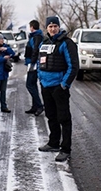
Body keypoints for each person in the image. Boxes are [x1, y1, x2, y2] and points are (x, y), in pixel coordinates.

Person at [37, 16, 79, 162]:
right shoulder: (44, 43)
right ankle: (53, 142)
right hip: (46, 86)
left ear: (59, 27)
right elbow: (39, 62)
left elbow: (73, 66)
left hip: (58, 87)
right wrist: (40, 79)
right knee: (51, 116)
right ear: (46, 28)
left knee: (64, 118)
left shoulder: (66, 43)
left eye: (55, 26)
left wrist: (64, 85)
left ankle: (65, 148)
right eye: (50, 26)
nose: (53, 28)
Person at [24, 20, 44, 116]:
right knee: (33, 84)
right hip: (32, 62)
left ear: (32, 27)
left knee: (29, 84)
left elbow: (35, 49)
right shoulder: (36, 36)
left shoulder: (37, 37)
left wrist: (32, 62)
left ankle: (39, 105)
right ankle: (34, 106)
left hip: (34, 63)